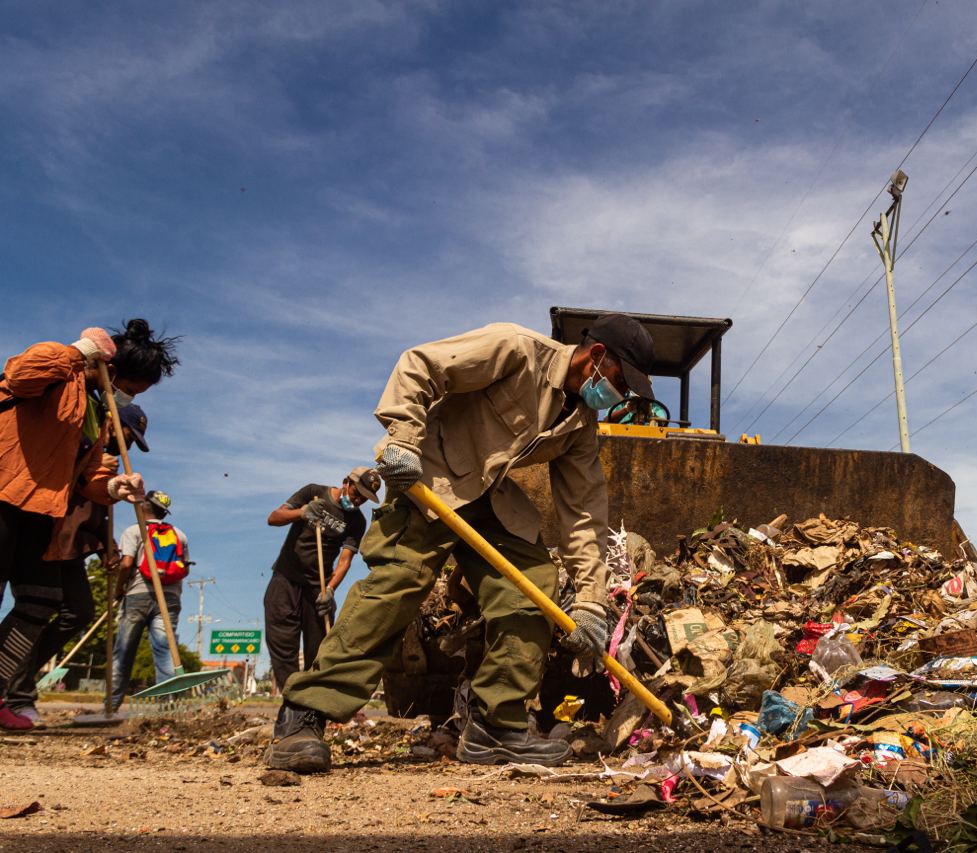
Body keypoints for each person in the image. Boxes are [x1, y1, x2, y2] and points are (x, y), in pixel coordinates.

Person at [266, 314, 655, 773]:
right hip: (428, 478)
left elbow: (585, 514)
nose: (618, 394)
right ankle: (301, 718)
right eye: (619, 380)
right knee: (398, 587)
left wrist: (590, 601)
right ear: (597, 356)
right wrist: (404, 439)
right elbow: (421, 365)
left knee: (531, 586)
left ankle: (496, 725)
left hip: (490, 499)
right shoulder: (517, 349)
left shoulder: (579, 424)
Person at [0, 319, 178, 730]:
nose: (128, 396)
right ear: (109, 369)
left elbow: (85, 473)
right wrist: (80, 350)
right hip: (5, 494)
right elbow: (20, 374)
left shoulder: (95, 413)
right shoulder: (61, 374)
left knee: (41, 600)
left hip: (39, 512)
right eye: (130, 387)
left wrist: (115, 486)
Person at [3, 403, 151, 723]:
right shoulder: (84, 444)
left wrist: (107, 549)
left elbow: (96, 514)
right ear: (112, 422)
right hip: (52, 537)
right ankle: (18, 691)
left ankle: (18, 679)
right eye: (127, 433)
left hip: (71, 546)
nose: (127, 441)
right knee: (39, 607)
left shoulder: (105, 463)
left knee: (79, 610)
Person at [263, 468, 381, 692]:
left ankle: (313, 702)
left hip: (318, 587)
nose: (358, 501)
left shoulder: (357, 522)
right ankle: (291, 698)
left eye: (364, 499)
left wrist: (330, 589)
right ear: (346, 482)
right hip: (286, 579)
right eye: (357, 494)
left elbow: (344, 561)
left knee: (319, 650)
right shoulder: (313, 492)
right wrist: (302, 512)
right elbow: (274, 518)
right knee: (282, 643)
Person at [109, 490, 188, 711]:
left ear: (144, 507)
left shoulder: (135, 531)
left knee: (123, 651)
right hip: (170, 599)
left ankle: (111, 705)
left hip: (137, 595)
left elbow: (126, 564)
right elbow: (184, 569)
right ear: (164, 512)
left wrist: (118, 589)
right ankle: (167, 708)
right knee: (165, 651)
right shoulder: (179, 535)